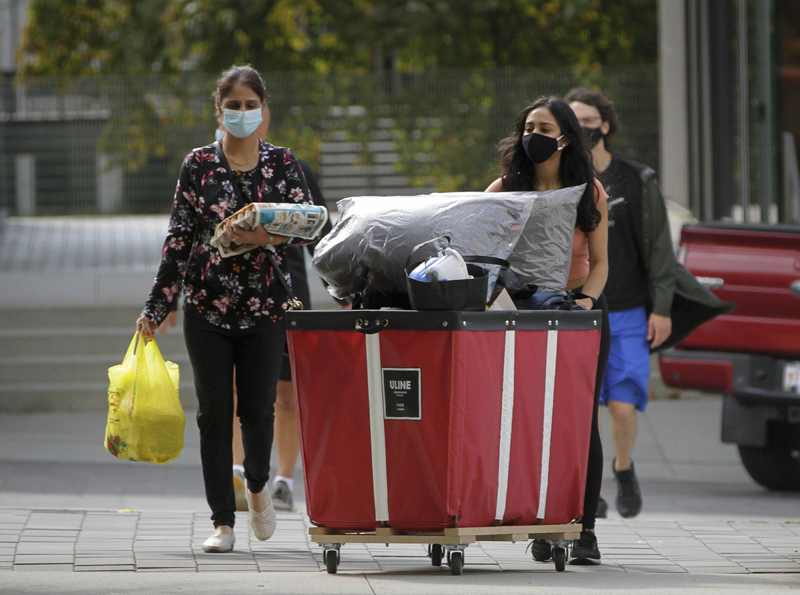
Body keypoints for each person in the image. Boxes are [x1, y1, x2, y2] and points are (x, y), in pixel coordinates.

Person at [136, 64, 313, 553]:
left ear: (264, 109)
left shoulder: (282, 163)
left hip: (266, 307)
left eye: (249, 104)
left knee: (257, 413)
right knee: (215, 415)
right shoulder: (197, 165)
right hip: (207, 308)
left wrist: (265, 235)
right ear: (219, 109)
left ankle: (257, 486)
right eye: (232, 105)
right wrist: (157, 304)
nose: (241, 112)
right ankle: (222, 522)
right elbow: (179, 236)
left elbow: (307, 222)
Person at [486, 96, 610, 565]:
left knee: (580, 421)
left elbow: (600, 265)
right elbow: (484, 256)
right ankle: (542, 521)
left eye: (544, 126)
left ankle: (585, 529)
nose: (533, 134)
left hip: (580, 312)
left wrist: (584, 303)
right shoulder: (503, 190)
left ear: (565, 138)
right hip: (522, 317)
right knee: (529, 421)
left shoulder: (589, 191)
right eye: (528, 126)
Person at [565, 87, 675, 519]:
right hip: (578, 309)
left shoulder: (637, 178)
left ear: (605, 126)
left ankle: (623, 468)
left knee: (623, 405)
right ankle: (591, 487)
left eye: (589, 120)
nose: (583, 128)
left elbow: (660, 248)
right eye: (574, 121)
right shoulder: (565, 178)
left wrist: (662, 306)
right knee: (581, 404)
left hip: (629, 308)